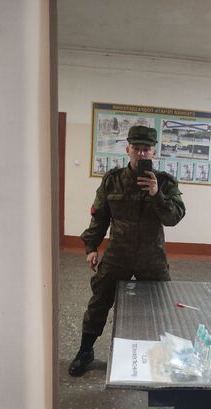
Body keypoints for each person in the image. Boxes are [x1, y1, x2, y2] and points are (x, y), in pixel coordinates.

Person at [69, 125, 186, 376]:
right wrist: (91, 246)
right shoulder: (113, 180)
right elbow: (100, 216)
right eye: (136, 148)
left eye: (146, 149)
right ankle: (85, 351)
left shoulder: (165, 183)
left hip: (152, 256)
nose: (141, 153)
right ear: (127, 150)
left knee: (160, 305)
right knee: (99, 301)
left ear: (154, 152)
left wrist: (156, 194)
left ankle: (159, 356)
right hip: (117, 253)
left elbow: (174, 218)